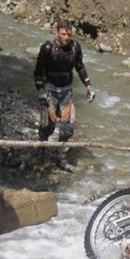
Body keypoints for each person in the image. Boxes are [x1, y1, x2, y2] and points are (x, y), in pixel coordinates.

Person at [33, 19, 95, 172]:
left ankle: (60, 157)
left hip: (66, 90)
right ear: (56, 32)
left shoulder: (75, 47)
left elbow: (80, 67)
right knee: (47, 126)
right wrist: (41, 92)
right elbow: (38, 73)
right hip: (49, 90)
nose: (66, 37)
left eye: (69, 34)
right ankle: (41, 152)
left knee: (67, 129)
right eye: (63, 34)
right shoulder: (48, 48)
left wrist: (89, 87)